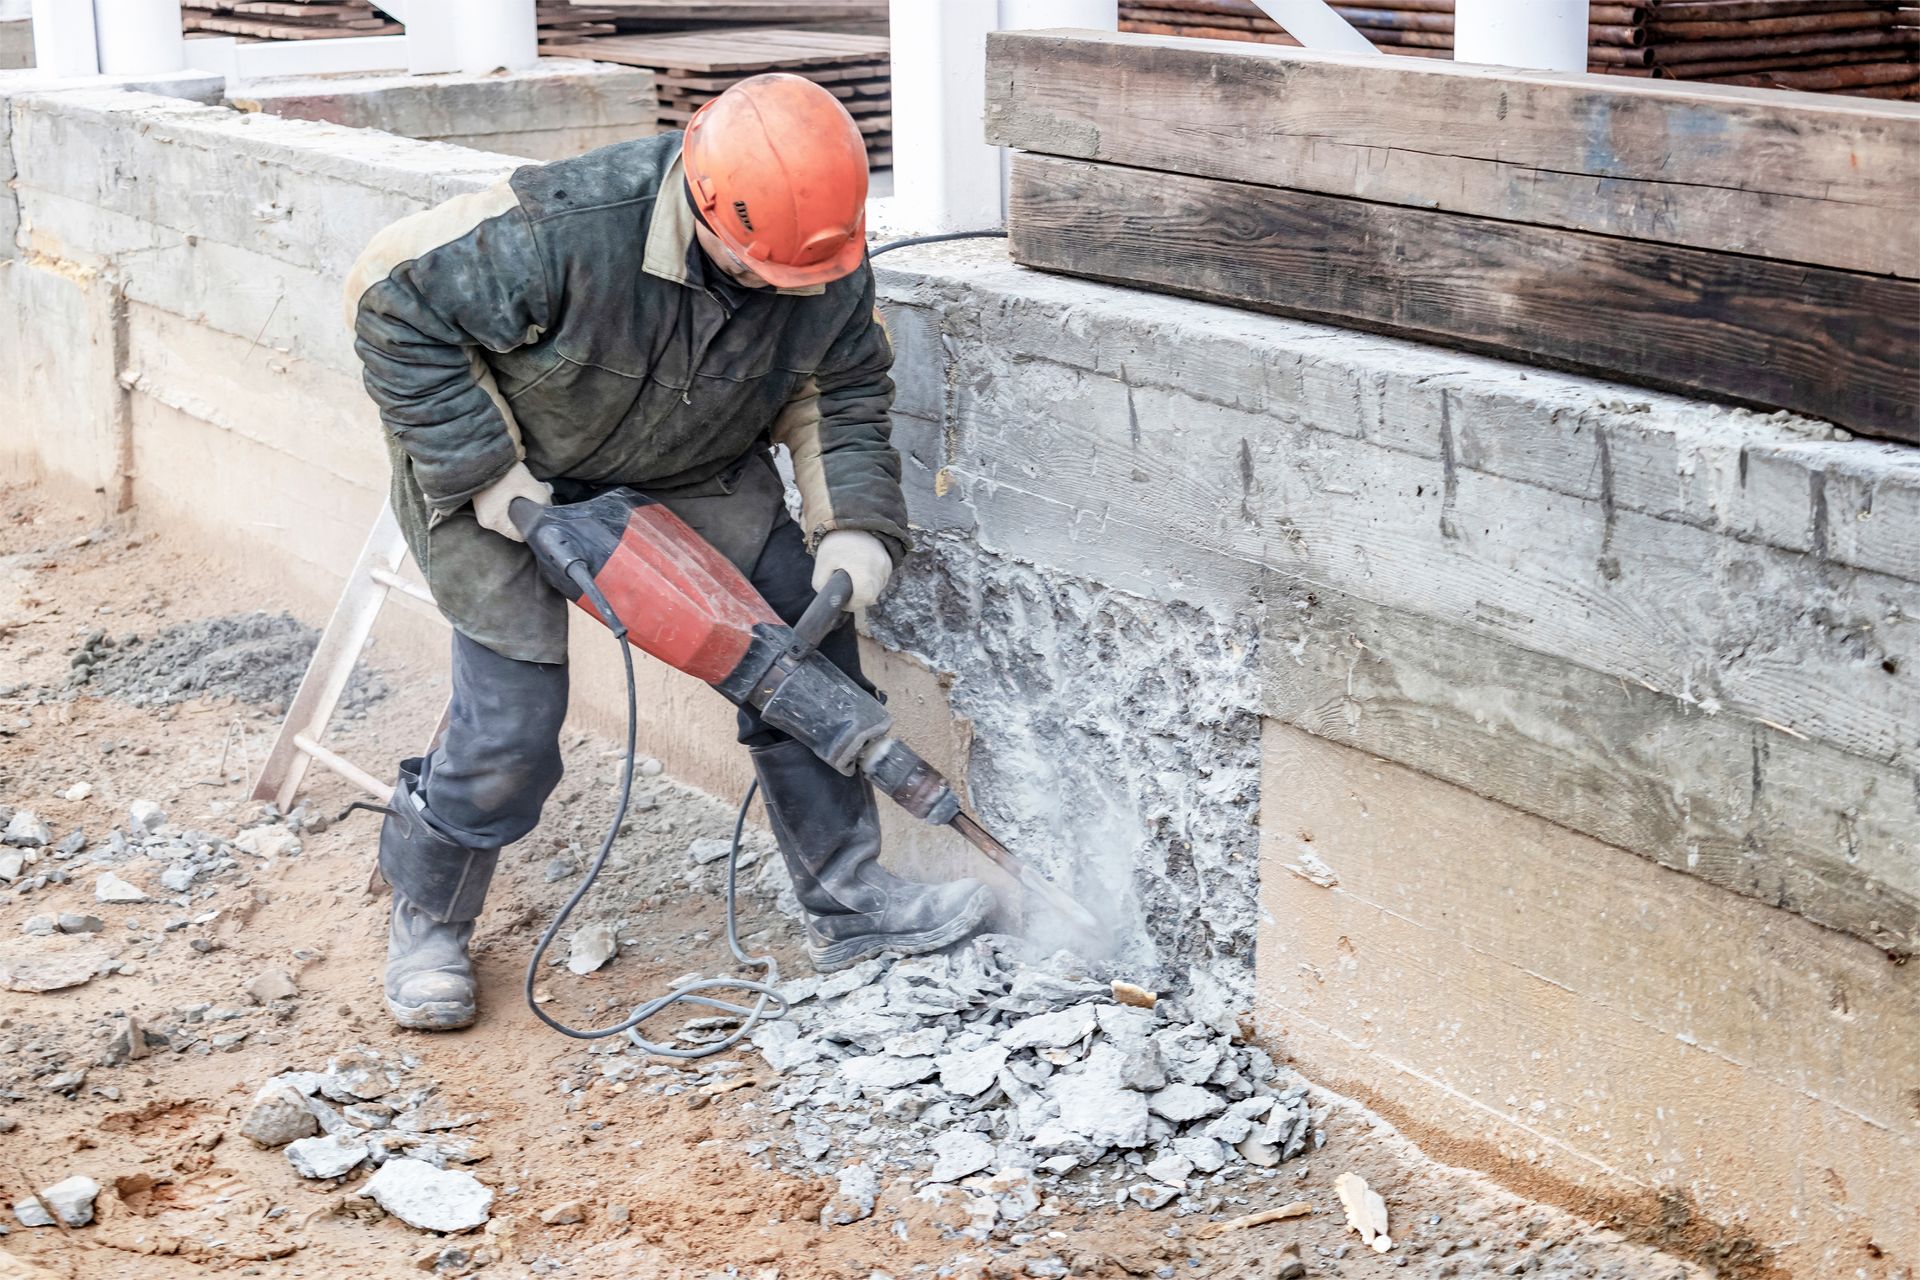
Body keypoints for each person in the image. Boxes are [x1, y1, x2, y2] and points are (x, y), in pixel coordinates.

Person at [343, 74, 992, 1032]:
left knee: (804, 660)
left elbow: (842, 392)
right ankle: (430, 914)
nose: (797, 292)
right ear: (706, 208)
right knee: (512, 720)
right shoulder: (565, 225)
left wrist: (852, 524)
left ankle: (850, 898)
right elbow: (389, 297)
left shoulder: (822, 258)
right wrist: (485, 472)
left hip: (693, 459)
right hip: (511, 473)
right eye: (770, 272)